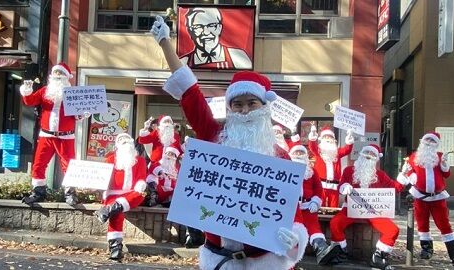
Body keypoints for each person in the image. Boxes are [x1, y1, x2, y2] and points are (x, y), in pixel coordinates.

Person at [151, 16, 308, 269]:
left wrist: (294, 240)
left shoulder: (280, 155)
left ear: (264, 107)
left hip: (265, 262)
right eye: (238, 104)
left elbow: (291, 208)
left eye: (251, 103)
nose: (245, 111)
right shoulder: (215, 137)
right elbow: (191, 95)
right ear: (230, 108)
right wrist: (166, 45)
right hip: (220, 259)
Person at [397, 132, 454, 264]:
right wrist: (409, 174)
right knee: (422, 223)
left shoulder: (439, 157)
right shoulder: (414, 157)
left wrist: (444, 163)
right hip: (420, 196)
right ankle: (426, 250)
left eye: (432, 141)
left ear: (436, 144)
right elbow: (408, 173)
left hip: (438, 197)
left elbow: (446, 174)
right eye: (427, 140)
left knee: (444, 224)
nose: (429, 143)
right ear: (422, 142)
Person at [19, 62, 89, 206]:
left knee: (69, 165)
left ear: (66, 77)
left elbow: (77, 116)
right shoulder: (45, 91)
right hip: (46, 135)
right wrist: (27, 91)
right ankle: (38, 191)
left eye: (60, 73)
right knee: (39, 164)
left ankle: (70, 193)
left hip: (65, 136)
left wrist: (83, 113)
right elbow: (30, 101)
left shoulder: (73, 94)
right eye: (55, 73)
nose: (57, 76)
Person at [327, 144, 404, 270]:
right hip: (351, 208)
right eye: (367, 152)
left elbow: (394, 188)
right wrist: (344, 187)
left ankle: (378, 256)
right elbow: (341, 185)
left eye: (372, 154)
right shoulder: (349, 171)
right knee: (335, 223)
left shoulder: (381, 175)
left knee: (392, 230)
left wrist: (403, 178)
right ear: (361, 154)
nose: (368, 156)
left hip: (372, 211)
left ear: (376, 159)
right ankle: (341, 251)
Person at [94, 133, 147, 261]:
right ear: (117, 146)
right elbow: (103, 178)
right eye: (122, 141)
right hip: (114, 193)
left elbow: (141, 178)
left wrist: (140, 184)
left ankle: (107, 210)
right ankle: (115, 247)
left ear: (132, 143)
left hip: (132, 193)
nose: (125, 143)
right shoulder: (110, 159)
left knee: (141, 193)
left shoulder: (140, 160)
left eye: (127, 141)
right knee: (116, 213)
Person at [289, 144, 336, 265]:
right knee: (292, 228)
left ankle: (321, 248)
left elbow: (318, 189)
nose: (299, 155)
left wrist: (316, 201)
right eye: (296, 153)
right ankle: (290, 255)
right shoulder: (286, 168)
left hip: (307, 206)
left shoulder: (311, 171)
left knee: (313, 227)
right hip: (291, 207)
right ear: (291, 155)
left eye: (301, 153)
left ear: (305, 156)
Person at [180, 7, 252, 69]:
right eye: (198, 27)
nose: (206, 32)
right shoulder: (183, 62)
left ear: (220, 28)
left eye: (211, 25)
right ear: (190, 31)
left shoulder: (238, 57)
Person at [308, 125, 354, 207]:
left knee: (333, 207)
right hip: (321, 185)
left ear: (333, 139)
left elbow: (347, 150)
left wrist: (349, 140)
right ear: (321, 139)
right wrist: (313, 137)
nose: (328, 139)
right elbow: (312, 147)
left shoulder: (337, 152)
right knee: (319, 205)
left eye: (330, 137)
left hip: (334, 185)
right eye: (325, 137)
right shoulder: (318, 151)